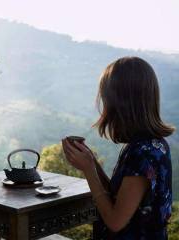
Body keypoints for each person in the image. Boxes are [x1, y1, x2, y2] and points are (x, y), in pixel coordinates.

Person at [62, 56, 175, 240]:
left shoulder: (142, 154)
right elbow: (117, 198)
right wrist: (92, 163)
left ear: (120, 102)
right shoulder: (151, 145)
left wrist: (89, 171)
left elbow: (115, 221)